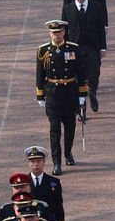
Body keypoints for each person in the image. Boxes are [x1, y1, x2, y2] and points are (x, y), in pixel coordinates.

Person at [35, 19, 88, 175]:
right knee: (55, 129)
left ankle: (68, 153)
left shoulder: (73, 49)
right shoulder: (43, 50)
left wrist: (82, 94)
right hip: (52, 92)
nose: (56, 35)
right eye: (53, 33)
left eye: (59, 32)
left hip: (69, 92)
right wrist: (40, 94)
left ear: (64, 32)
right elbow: (40, 74)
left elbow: (81, 72)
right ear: (49, 33)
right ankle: (56, 162)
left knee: (70, 126)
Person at [61, 0, 107, 112]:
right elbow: (64, 31)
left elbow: (100, 29)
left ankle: (92, 92)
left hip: (91, 46)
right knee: (77, 76)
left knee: (94, 74)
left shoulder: (96, 7)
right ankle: (81, 105)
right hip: (74, 48)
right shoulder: (67, 9)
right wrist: (65, 48)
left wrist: (103, 47)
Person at [25, 145, 66, 221]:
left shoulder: (54, 183)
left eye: (38, 161)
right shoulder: (24, 183)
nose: (36, 164)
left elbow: (58, 208)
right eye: (32, 161)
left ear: (44, 162)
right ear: (29, 163)